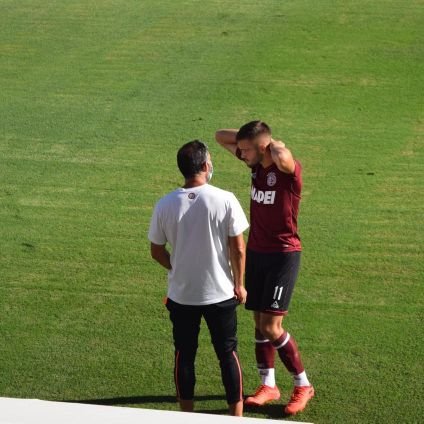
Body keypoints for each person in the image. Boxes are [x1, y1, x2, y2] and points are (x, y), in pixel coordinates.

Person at [215, 121, 314, 415]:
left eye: (246, 150)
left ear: (261, 148)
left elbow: (283, 155)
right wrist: (252, 142)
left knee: (272, 326)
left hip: (283, 255)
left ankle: (303, 384)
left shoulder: (287, 173)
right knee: (259, 323)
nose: (240, 155)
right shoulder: (255, 164)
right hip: (258, 252)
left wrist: (269, 144)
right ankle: (268, 385)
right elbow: (220, 136)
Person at [148, 140, 249, 416]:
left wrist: (176, 267)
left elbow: (156, 251)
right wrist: (239, 284)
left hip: (182, 295)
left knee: (184, 354)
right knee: (227, 354)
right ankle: (236, 415)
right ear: (205, 166)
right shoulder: (225, 199)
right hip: (221, 293)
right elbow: (238, 247)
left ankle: (186, 414)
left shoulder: (165, 204)